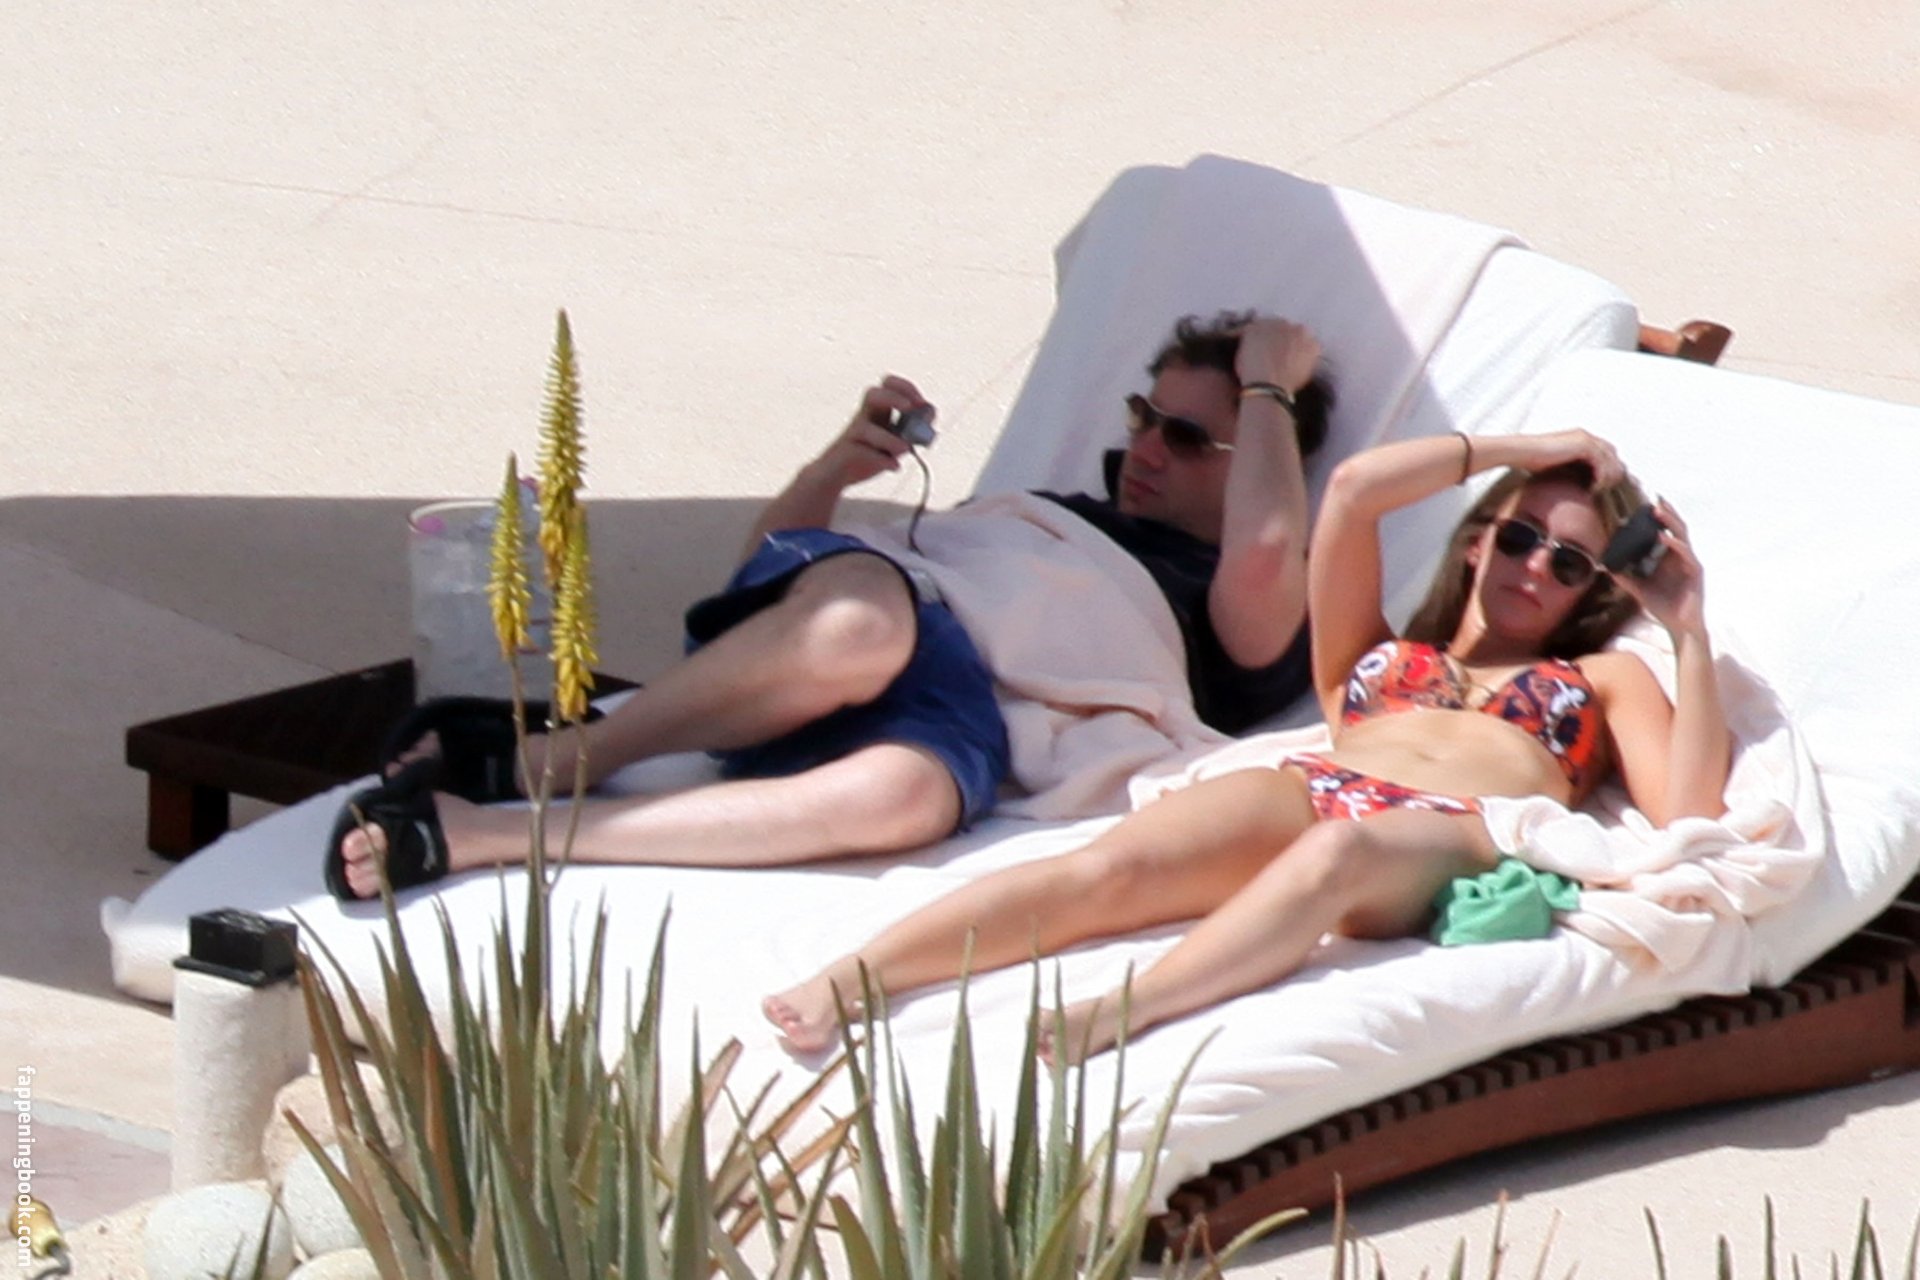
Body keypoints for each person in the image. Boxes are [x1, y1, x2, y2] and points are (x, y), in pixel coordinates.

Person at [762, 428, 1730, 1061]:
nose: (1535, 567)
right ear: (1479, 538)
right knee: (1108, 869)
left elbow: (1688, 812)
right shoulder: (1381, 652)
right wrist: (1534, 449)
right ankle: (860, 975)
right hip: (1314, 783)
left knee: (1340, 852)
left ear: (1591, 587)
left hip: (1451, 828)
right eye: (1519, 537)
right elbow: (1353, 490)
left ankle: (1131, 1006)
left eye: (1570, 562)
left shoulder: (1599, 678)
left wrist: (1685, 627)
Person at [325, 313, 1334, 900]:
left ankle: (491, 832)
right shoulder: (1049, 514)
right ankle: (556, 761)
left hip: (962, 707)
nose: (1146, 448)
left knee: (908, 800)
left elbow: (1261, 548)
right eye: (1144, 417)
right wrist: (835, 469)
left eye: (1186, 440)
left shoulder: (1243, 605)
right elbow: (761, 580)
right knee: (858, 626)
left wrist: (1268, 386)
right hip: (873, 619)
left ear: (1264, 455)